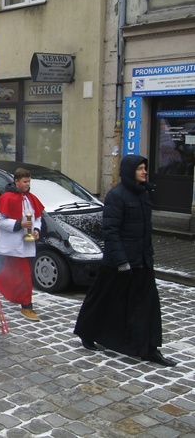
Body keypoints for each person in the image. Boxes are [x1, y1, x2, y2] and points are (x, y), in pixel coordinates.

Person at [74, 155, 177, 367]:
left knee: (147, 306)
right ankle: (86, 331)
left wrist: (148, 256)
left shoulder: (144, 193)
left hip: (142, 261)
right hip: (118, 262)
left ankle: (149, 349)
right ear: (130, 171)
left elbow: (145, 230)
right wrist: (122, 261)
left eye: (145, 168)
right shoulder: (117, 196)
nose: (144, 172)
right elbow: (110, 232)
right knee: (103, 299)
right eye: (140, 168)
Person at [0, 168, 44, 321]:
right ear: (16, 181)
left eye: (29, 181)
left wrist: (36, 229)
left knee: (20, 277)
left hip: (26, 245)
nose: (27, 184)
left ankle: (24, 304)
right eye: (24, 182)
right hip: (11, 245)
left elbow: (37, 218)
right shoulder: (6, 198)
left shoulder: (31, 198)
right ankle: (25, 306)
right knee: (14, 277)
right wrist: (19, 224)